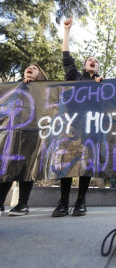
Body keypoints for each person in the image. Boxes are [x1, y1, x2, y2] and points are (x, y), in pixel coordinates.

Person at [52, 18, 103, 217]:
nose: (93, 61)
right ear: (84, 66)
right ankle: (63, 202)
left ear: (98, 68)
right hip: (71, 127)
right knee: (67, 162)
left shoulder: (103, 85)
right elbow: (66, 57)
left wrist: (101, 85)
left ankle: (80, 202)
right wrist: (66, 31)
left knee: (86, 164)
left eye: (96, 61)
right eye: (90, 59)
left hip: (91, 129)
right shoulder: (74, 76)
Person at [0, 63, 48, 216]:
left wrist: (33, 87)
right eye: (28, 68)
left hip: (32, 134)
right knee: (7, 166)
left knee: (26, 167)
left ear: (40, 76)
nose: (30, 69)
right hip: (11, 134)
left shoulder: (44, 90)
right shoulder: (14, 88)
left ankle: (22, 204)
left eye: (35, 69)